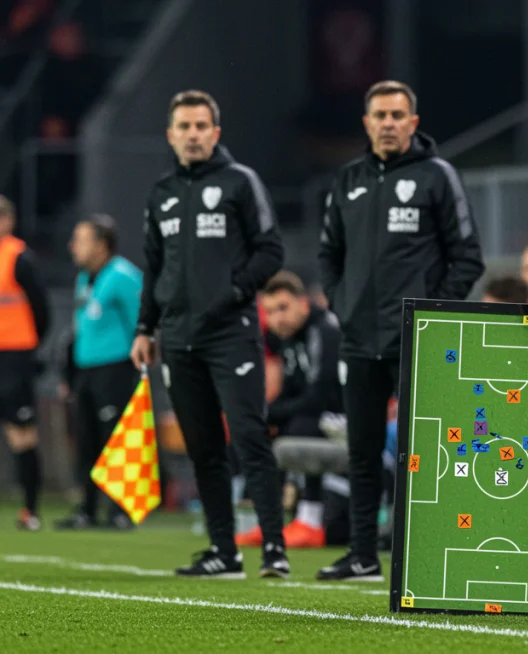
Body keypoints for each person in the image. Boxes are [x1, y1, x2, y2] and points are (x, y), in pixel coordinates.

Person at [317, 80, 485, 581]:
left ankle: (426, 558)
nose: (388, 123)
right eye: (379, 115)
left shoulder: (438, 176)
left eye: (397, 115)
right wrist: (341, 304)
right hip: (358, 338)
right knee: (362, 452)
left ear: (413, 123)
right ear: (367, 123)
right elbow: (328, 255)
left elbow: (467, 258)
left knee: (428, 452)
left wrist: (430, 317)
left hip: (418, 340)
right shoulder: (347, 179)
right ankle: (363, 553)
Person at [132, 89, 289, 579]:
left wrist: (232, 293)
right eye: (184, 126)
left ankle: (274, 549)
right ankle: (224, 551)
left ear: (216, 132)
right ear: (171, 135)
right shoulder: (161, 193)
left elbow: (270, 251)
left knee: (248, 437)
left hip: (230, 334)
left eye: (201, 126)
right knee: (203, 447)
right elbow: (154, 267)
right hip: (177, 338)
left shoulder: (241, 183)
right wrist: (145, 327)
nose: (193, 134)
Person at [235, 271, 343, 549]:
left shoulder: (325, 329)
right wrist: (266, 416)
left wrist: (276, 413)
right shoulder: (289, 338)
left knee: (300, 427)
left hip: (348, 417)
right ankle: (270, 520)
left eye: (283, 308)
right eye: (269, 311)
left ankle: (311, 520)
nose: (276, 319)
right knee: (262, 428)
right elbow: (293, 390)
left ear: (303, 304)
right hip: (315, 413)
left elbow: (320, 394)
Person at [56, 214, 142, 530]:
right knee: (87, 441)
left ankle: (121, 511)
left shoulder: (124, 276)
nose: (72, 246)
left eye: (81, 239)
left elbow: (142, 323)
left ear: (102, 245)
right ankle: (88, 509)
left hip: (116, 368)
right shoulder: (85, 278)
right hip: (86, 369)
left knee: (116, 439)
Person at [0, 195, 49, 531]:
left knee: (22, 435)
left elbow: (41, 309)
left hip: (15, 357)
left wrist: (30, 348)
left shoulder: (19, 258)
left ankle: (30, 509)